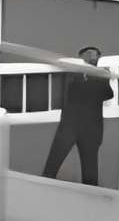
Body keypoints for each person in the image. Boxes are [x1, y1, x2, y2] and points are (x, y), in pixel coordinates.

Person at [42, 45, 113, 186]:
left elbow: (108, 94)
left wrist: (104, 78)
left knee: (90, 175)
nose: (93, 57)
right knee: (51, 167)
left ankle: (92, 203)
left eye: (96, 55)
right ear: (81, 57)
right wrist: (91, 76)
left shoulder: (101, 76)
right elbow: (71, 92)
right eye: (89, 54)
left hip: (91, 131)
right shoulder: (72, 73)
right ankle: (43, 194)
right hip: (69, 127)